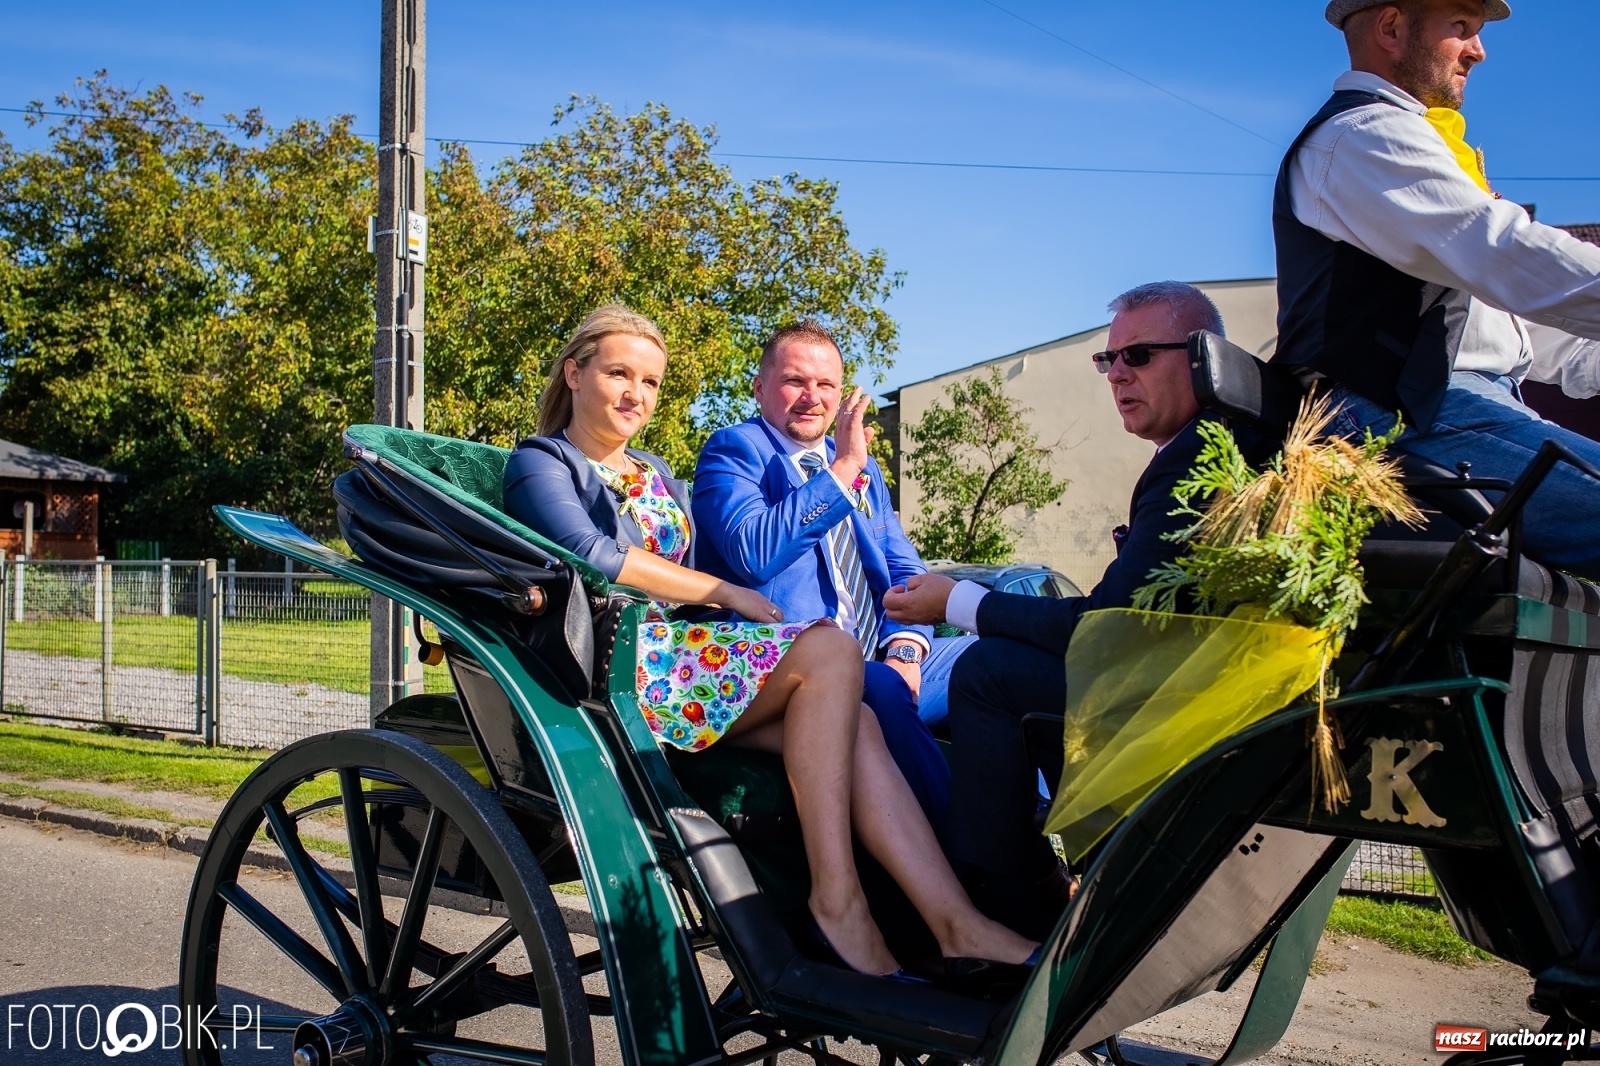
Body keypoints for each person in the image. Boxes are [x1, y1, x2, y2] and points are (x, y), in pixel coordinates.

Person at [502, 303, 1036, 980]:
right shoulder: (542, 464)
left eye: (651, 382)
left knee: (863, 723)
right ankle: (837, 901)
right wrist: (725, 593)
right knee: (831, 649)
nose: (636, 393)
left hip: (687, 670)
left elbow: (901, 570)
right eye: (618, 373)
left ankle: (958, 921)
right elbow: (592, 554)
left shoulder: (654, 472)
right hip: (623, 677)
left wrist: (905, 646)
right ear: (574, 375)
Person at [883, 283, 1275, 935]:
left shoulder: (1199, 460)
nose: (1118, 373)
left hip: (1185, 712)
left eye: (1140, 355)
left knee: (989, 674)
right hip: (1197, 695)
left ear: (1206, 357)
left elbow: (1107, 626)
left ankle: (1012, 903)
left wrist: (955, 598)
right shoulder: (1210, 447)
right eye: (1108, 359)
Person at [1273, 0, 1600, 579]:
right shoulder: (1364, 135)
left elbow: (1520, 331)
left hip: (1455, 405)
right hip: (1395, 414)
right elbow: (1502, 250)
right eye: (1462, 28)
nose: (1479, 50)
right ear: (1393, 28)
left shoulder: (1421, 146)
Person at [691, 321, 970, 831]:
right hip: (799, 670)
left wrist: (906, 648)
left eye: (825, 386)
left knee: (995, 660)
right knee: (882, 689)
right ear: (759, 387)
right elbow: (754, 551)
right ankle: (972, 868)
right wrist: (840, 471)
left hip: (882, 654)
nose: (811, 398)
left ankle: (1038, 842)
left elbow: (904, 568)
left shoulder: (865, 468)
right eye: (795, 381)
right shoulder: (735, 451)